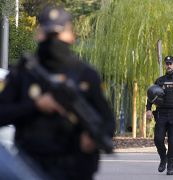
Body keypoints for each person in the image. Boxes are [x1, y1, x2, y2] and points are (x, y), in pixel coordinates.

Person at [0, 6, 115, 180]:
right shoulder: (24, 72)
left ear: (71, 36)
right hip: (29, 164)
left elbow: (107, 121)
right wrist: (35, 105)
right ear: (39, 34)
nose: (54, 41)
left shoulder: (85, 74)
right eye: (49, 34)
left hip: (73, 166)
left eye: (59, 34)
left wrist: (91, 140)